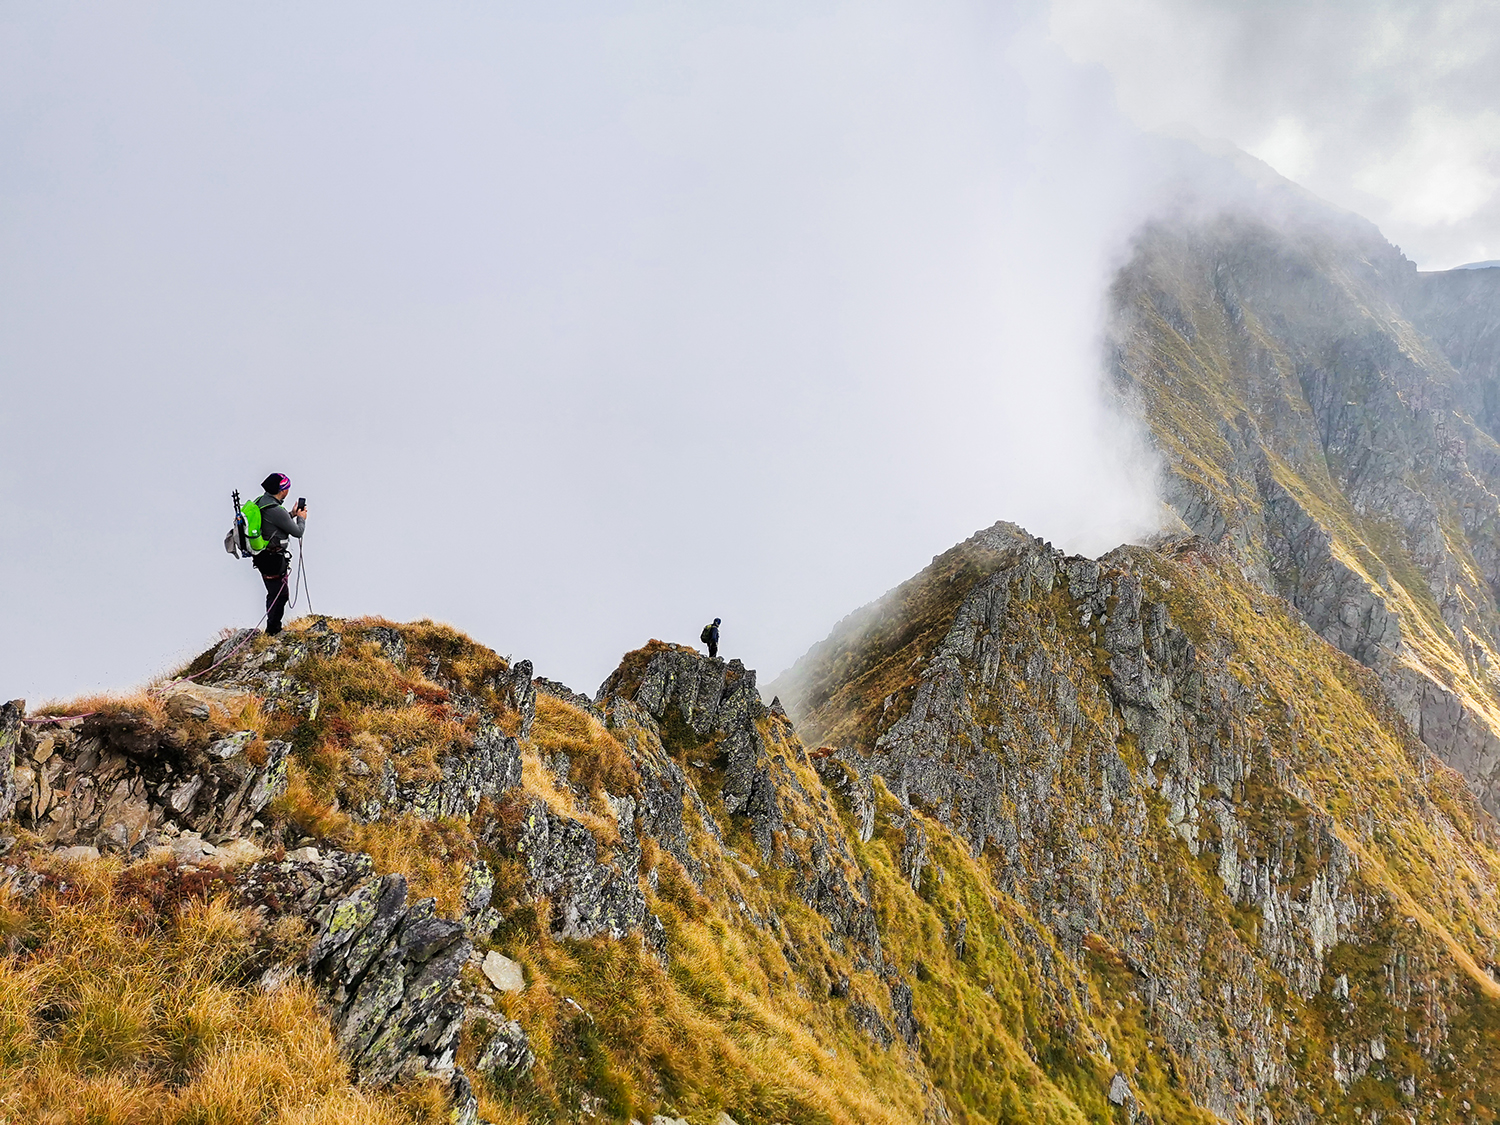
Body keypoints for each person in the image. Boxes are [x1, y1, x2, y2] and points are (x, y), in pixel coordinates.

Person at [252, 472, 307, 636]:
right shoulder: (275, 510)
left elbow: (273, 523)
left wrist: (290, 515)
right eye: (287, 487)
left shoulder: (262, 502)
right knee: (279, 595)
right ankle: (273, 630)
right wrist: (301, 518)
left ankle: (273, 627)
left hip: (262, 557)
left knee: (275, 592)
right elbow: (298, 532)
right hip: (273, 559)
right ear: (282, 490)